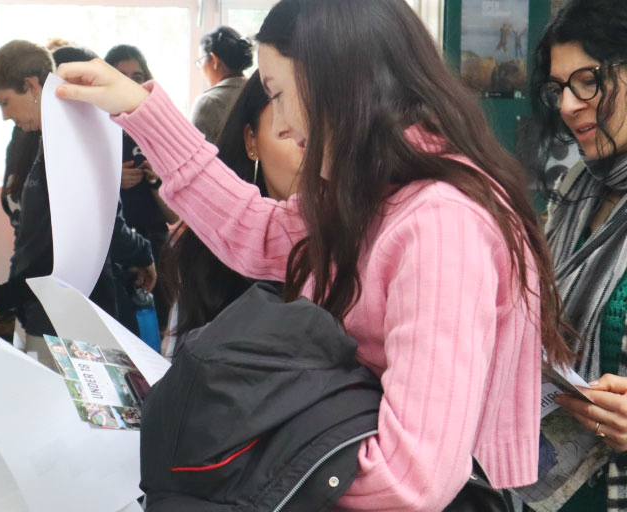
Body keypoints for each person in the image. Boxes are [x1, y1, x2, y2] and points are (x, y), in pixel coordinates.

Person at [55, 0, 574, 507]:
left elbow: (409, 478)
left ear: (338, 84)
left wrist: (246, 462)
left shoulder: (440, 222)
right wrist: (140, 110)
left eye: (279, 94)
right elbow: (255, 229)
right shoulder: (371, 193)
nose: (280, 123)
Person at [0, 41, 155, 363]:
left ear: (32, 85)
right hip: (46, 313)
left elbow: (74, 246)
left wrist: (2, 296)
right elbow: (34, 240)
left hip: (78, 321)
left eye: (6, 102)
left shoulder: (73, 143)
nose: (5, 115)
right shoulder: (38, 140)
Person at [532, 1, 627, 508]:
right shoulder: (574, 189)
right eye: (558, 88)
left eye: (587, 80)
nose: (569, 105)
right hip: (549, 484)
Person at [164, 71, 301, 346]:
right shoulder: (207, 250)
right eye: (289, 130)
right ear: (252, 140)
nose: (309, 147)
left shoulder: (355, 243)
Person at [105, 44, 179, 334]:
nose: (129, 83)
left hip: (155, 245)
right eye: (120, 75)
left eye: (137, 76)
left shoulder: (157, 131)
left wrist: (157, 181)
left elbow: (173, 217)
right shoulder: (95, 128)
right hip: (113, 247)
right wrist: (110, 178)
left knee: (154, 332)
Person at [191, 26, 253, 143]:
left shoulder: (208, 103)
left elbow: (192, 157)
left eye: (201, 61)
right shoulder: (261, 93)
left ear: (214, 60)